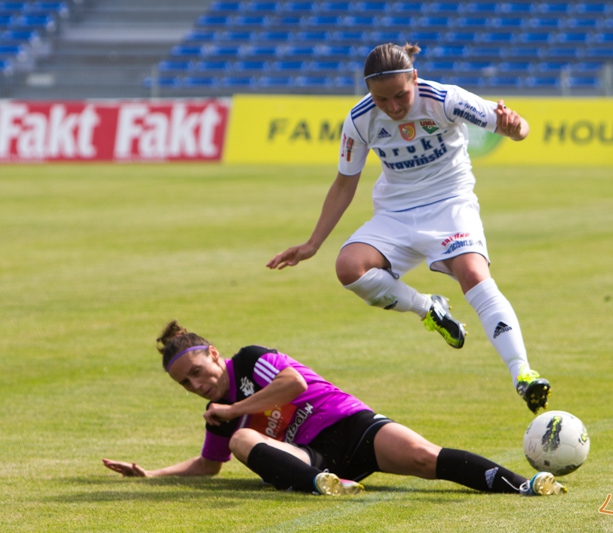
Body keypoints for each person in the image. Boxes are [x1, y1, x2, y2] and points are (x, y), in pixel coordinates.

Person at [267, 43, 550, 413]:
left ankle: (522, 374)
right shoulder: (360, 119)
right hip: (396, 212)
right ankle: (427, 308)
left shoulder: (445, 99)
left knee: (473, 274)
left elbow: (518, 127)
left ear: (414, 77)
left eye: (401, 95)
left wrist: (515, 128)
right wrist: (313, 243)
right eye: (382, 99)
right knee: (348, 268)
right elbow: (344, 183)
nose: (394, 107)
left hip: (450, 203)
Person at [102, 320, 566, 497]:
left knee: (426, 457)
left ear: (216, 355)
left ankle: (523, 485)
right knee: (245, 439)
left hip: (350, 426)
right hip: (314, 459)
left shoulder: (250, 360)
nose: (196, 385)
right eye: (185, 383)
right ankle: (326, 485)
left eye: (198, 372)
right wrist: (153, 476)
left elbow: (292, 384)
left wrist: (234, 409)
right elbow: (208, 465)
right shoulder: (219, 415)